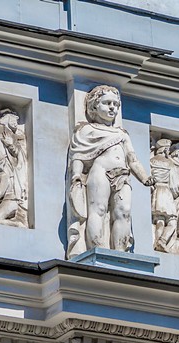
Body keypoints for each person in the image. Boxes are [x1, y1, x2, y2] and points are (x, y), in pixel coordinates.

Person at [66, 85, 154, 258]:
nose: (112, 107)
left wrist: (145, 178)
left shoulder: (122, 134)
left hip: (122, 175)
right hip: (99, 172)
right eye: (107, 103)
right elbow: (78, 156)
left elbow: (132, 160)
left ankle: (120, 253)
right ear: (94, 106)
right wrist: (76, 176)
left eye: (115, 104)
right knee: (98, 210)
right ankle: (97, 250)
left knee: (124, 212)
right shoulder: (86, 130)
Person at [150, 139, 179, 252]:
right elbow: (175, 185)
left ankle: (156, 241)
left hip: (155, 193)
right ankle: (162, 240)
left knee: (159, 221)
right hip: (166, 192)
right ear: (165, 149)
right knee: (172, 222)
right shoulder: (169, 163)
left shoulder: (151, 161)